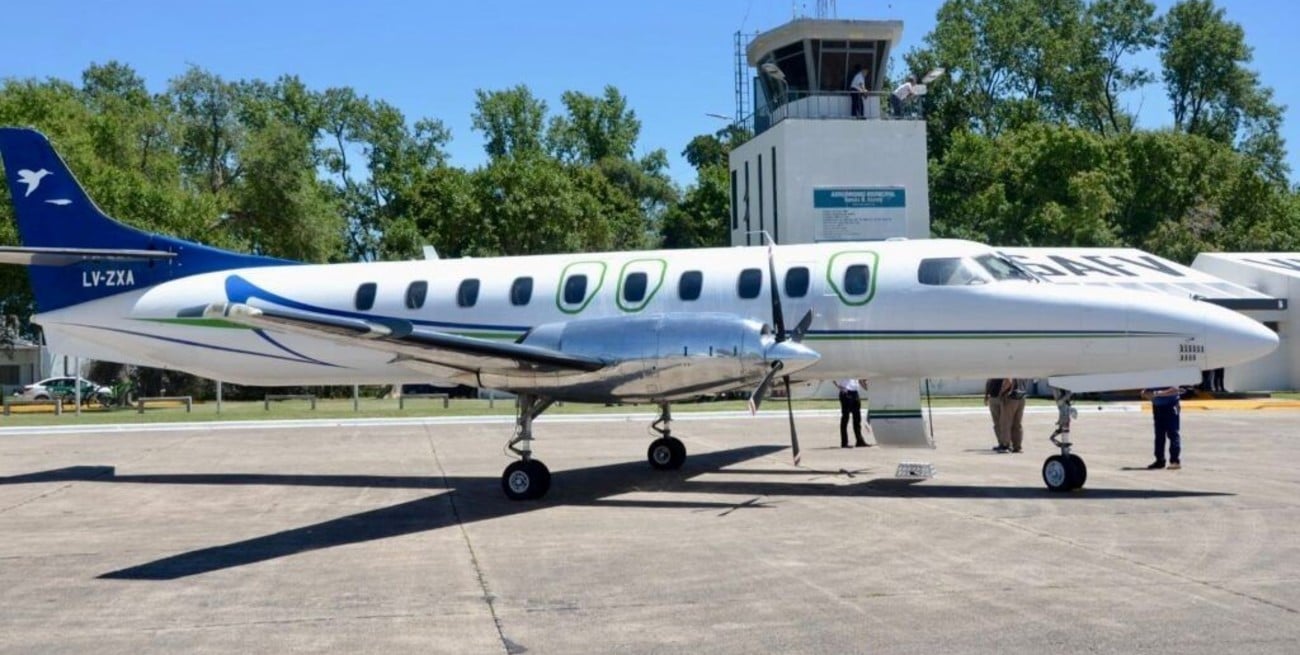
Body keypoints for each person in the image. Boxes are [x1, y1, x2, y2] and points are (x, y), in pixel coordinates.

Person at [1141, 386, 1183, 469]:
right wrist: (1145, 393)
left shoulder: (1170, 378)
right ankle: (1160, 460)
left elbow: (1175, 390)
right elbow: (1146, 392)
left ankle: (1175, 461)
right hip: (1157, 407)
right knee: (1159, 435)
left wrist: (1157, 393)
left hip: (1170, 406)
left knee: (1173, 433)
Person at [985, 378, 1026, 453]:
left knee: (1005, 423)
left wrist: (1001, 393)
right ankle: (1017, 446)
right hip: (1020, 396)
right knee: (1017, 424)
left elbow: (1008, 380)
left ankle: (1005, 445)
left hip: (1010, 397)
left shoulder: (1007, 371)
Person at [833, 378, 870, 448]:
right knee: (845, 418)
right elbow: (833, 378)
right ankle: (844, 442)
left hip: (855, 392)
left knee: (857, 418)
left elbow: (860, 380)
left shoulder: (856, 371)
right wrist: (839, 387)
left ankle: (859, 441)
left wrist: (867, 388)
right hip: (846, 392)